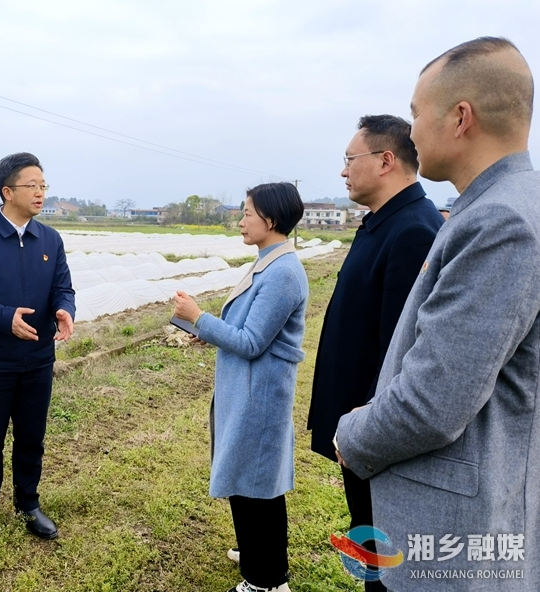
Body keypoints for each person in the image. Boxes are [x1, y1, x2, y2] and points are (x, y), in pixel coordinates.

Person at [336, 37, 540, 591]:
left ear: (460, 117)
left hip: (454, 539)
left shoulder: (501, 222)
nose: (413, 132)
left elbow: (433, 401)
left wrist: (351, 435)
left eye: (416, 113)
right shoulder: (497, 205)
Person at [306, 115, 443, 592]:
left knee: (386, 562)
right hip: (359, 431)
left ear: (385, 161)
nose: (343, 171)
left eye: (350, 159)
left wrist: (364, 429)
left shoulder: (412, 231)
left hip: (375, 437)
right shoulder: (383, 224)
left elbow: (401, 353)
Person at [173, 182, 307, 592]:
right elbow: (248, 331)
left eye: (248, 212)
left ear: (271, 218)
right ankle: (257, 557)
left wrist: (199, 318)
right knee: (249, 483)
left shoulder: (283, 272)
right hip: (246, 391)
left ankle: (264, 582)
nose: (242, 220)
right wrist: (208, 330)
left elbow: (251, 342)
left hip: (259, 396)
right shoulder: (269, 261)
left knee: (257, 488)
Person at [0, 152, 75, 549]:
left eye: (44, 186)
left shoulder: (50, 239)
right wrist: (6, 318)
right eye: (32, 186)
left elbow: (63, 287)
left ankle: (28, 504)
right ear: (7, 192)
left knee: (31, 436)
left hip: (38, 359)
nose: (40, 193)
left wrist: (63, 310)